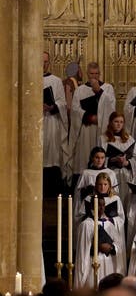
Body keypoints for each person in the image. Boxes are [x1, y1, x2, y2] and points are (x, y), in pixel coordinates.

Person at [69, 62, 116, 178]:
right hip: (86, 128)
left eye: (96, 73)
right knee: (85, 156)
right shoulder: (80, 90)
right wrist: (88, 116)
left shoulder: (107, 88)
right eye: (91, 74)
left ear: (100, 74)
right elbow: (75, 110)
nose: (94, 76)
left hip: (101, 129)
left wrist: (99, 91)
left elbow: (111, 107)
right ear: (87, 74)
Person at [74, 196, 126, 288]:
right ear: (91, 207)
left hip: (109, 262)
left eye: (103, 205)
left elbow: (118, 245)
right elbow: (83, 250)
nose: (101, 208)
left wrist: (111, 248)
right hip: (92, 263)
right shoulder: (86, 224)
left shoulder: (109, 224)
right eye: (98, 205)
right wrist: (97, 246)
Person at [42, 51, 69, 196]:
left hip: (51, 122)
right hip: (35, 123)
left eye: (45, 61)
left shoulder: (56, 81)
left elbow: (63, 103)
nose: (43, 64)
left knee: (51, 158)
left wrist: (53, 106)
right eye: (41, 61)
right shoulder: (28, 78)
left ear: (49, 63)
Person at [99, 111, 136, 208]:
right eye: (116, 121)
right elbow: (98, 157)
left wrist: (127, 162)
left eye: (121, 122)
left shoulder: (129, 138)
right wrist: (112, 160)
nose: (119, 124)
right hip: (112, 174)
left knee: (126, 201)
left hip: (126, 174)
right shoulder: (103, 138)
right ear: (110, 122)